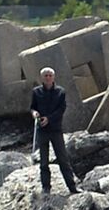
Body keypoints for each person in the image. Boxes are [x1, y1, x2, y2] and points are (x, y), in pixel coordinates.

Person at [30, 66, 78, 194]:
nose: (48, 77)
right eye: (45, 75)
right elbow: (33, 107)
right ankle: (46, 187)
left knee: (63, 159)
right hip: (42, 130)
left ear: (54, 77)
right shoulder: (36, 92)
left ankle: (72, 187)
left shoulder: (61, 92)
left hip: (56, 130)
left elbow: (61, 110)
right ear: (42, 77)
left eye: (50, 75)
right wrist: (34, 114)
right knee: (43, 162)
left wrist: (49, 119)